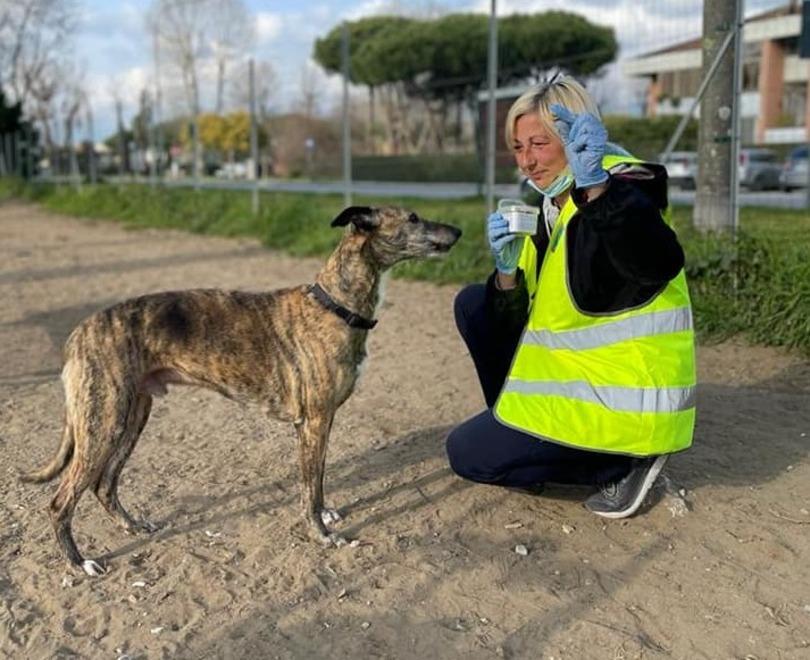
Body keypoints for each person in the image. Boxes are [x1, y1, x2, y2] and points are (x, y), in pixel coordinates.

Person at [445, 74, 696, 518]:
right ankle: (524, 432)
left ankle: (620, 462)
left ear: (576, 135)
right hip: (575, 381)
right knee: (474, 303)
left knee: (467, 454)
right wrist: (505, 275)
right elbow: (521, 319)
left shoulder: (627, 185)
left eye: (539, 144)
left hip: (626, 395)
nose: (526, 161)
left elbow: (654, 261)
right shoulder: (548, 205)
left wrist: (598, 189)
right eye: (518, 147)